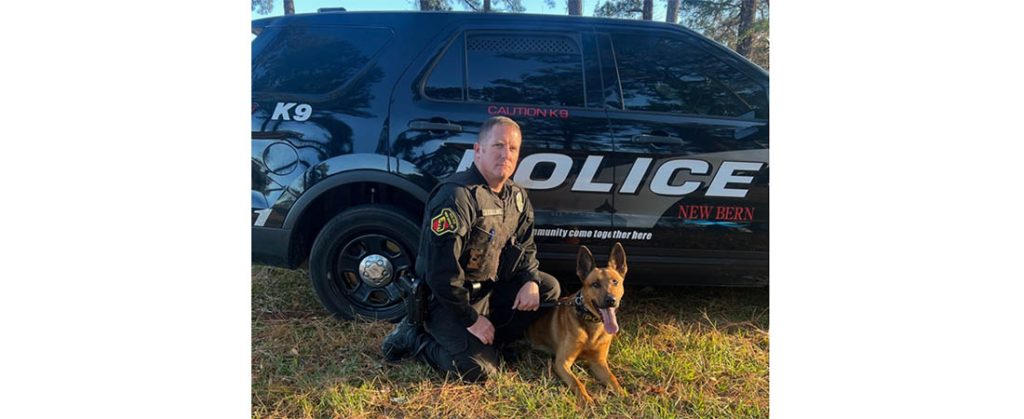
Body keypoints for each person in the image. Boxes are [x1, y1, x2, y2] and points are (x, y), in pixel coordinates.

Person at [381, 116, 560, 382]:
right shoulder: (456, 197)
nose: (506, 154)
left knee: (547, 288)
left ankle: (494, 341)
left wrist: (530, 280)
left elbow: (526, 247)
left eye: (513, 149)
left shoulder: (517, 197)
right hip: (445, 301)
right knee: (479, 371)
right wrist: (471, 319)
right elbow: (441, 275)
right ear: (478, 150)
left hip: (487, 290)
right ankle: (415, 336)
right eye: (498, 145)